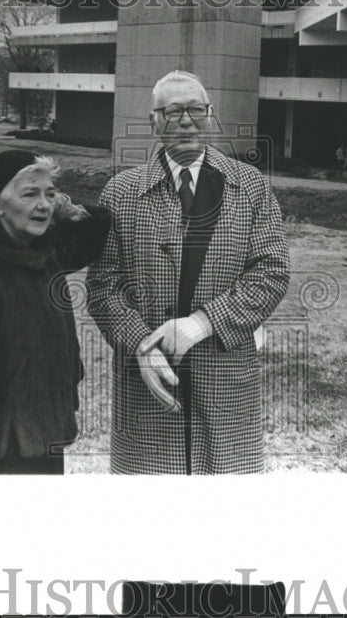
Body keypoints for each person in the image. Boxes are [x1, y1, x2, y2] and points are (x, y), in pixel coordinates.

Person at [86, 70, 290, 474]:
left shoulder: (249, 185)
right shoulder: (120, 192)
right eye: (172, 111)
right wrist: (141, 344)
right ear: (152, 122)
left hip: (225, 371)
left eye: (196, 109)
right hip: (147, 378)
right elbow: (102, 287)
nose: (185, 120)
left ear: (210, 116)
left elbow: (272, 270)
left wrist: (202, 323)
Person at [0, 149, 111, 474]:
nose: (43, 205)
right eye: (30, 194)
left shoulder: (42, 250)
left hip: (45, 435)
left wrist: (66, 207)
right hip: (5, 450)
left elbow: (96, 230)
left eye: (49, 194)